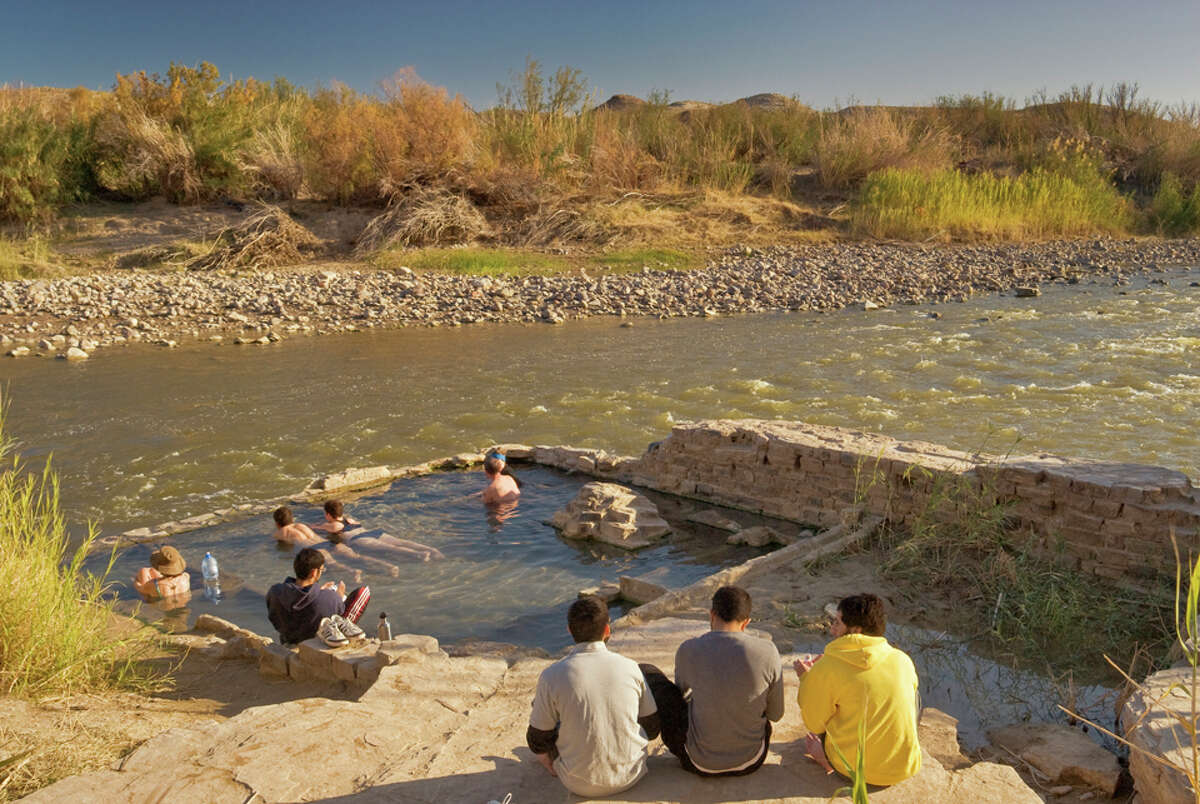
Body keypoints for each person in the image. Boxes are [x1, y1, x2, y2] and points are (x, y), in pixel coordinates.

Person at [641, 585, 784, 777]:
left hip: (696, 761)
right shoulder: (768, 651)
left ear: (711, 614)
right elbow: (775, 715)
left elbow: (680, 693)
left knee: (648, 672)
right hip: (752, 760)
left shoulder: (689, 649)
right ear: (746, 622)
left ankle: (644, 735)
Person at [527, 595, 660, 798]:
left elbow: (537, 740)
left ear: (570, 630)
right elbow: (652, 730)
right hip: (632, 775)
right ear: (607, 629)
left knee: (542, 708)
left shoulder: (552, 675)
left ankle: (552, 765)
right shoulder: (630, 667)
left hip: (578, 783)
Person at [794, 593, 921, 787]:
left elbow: (815, 724)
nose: (832, 629)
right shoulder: (901, 659)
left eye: (837, 622)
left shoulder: (827, 668)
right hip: (905, 767)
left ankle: (824, 758)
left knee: (819, 729)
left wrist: (808, 678)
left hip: (856, 772)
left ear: (855, 629)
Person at [266, 547, 371, 646]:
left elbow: (299, 599)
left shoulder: (275, 592)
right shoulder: (330, 598)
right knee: (363, 592)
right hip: (314, 639)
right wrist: (338, 597)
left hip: (288, 638)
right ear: (314, 572)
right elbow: (335, 608)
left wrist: (318, 591)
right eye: (321, 570)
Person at [312, 500, 444, 561]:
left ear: (328, 514)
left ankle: (420, 555)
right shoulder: (350, 519)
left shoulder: (334, 525)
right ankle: (432, 550)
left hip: (360, 539)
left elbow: (315, 528)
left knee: (391, 548)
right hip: (371, 532)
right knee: (400, 542)